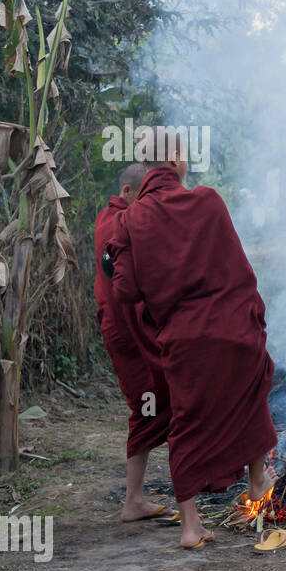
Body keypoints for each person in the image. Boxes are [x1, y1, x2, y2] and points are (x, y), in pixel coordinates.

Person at [105, 128, 277, 549]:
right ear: (177, 160)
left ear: (146, 167)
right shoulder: (208, 201)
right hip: (233, 329)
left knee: (187, 421)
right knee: (251, 390)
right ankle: (257, 479)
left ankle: (190, 527)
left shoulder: (129, 221)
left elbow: (124, 290)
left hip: (184, 339)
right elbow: (237, 266)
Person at [94, 163, 174, 523]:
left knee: (165, 399)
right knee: (150, 403)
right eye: (143, 196)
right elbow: (125, 282)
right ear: (127, 193)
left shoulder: (116, 218)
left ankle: (140, 497)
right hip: (128, 332)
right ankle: (134, 500)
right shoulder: (115, 223)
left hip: (131, 328)